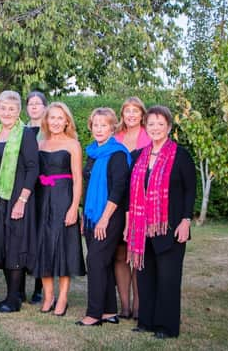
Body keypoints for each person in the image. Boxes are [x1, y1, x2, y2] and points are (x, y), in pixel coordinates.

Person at [126, 105, 196, 339]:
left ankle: (166, 326)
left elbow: (190, 190)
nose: (155, 128)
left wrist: (186, 220)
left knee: (168, 278)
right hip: (143, 228)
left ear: (168, 127)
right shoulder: (139, 156)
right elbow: (131, 192)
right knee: (146, 277)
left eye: (160, 124)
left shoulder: (180, 155)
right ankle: (146, 321)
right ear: (146, 126)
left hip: (171, 227)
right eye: (151, 124)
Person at [0, 90, 39, 313]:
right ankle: (10, 295)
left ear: (18, 112)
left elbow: (33, 168)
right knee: (5, 244)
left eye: (12, 109)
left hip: (17, 197)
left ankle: (14, 300)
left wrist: (22, 199)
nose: (7, 113)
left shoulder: (25, 134)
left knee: (16, 244)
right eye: (3, 108)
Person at [76, 108, 131, 326]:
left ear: (112, 127)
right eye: (95, 125)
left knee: (95, 260)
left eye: (104, 125)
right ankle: (109, 311)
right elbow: (88, 188)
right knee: (104, 262)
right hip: (92, 216)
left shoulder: (117, 153)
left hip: (109, 217)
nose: (99, 129)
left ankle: (94, 314)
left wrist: (104, 218)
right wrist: (85, 216)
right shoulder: (92, 152)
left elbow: (118, 189)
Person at [34, 102, 85, 317]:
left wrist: (74, 207)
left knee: (64, 245)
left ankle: (63, 297)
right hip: (42, 199)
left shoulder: (73, 144)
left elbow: (78, 180)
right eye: (51, 117)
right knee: (43, 244)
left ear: (66, 121)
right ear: (46, 120)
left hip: (64, 198)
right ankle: (48, 295)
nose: (55, 122)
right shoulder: (40, 144)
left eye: (59, 118)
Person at [113, 96, 151, 320]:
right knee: (119, 255)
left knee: (137, 255)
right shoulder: (115, 137)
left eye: (135, 111)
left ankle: (139, 306)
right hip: (117, 203)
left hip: (140, 204)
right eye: (127, 111)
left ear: (142, 114)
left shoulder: (149, 138)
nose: (131, 115)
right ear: (122, 114)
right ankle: (124, 306)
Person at [23, 90, 48, 304]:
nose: (34, 107)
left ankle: (39, 287)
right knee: (24, 234)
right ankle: (19, 286)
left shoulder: (51, 131)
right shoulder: (20, 131)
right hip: (24, 190)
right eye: (30, 103)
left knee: (41, 236)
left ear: (44, 107)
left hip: (44, 190)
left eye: (38, 103)